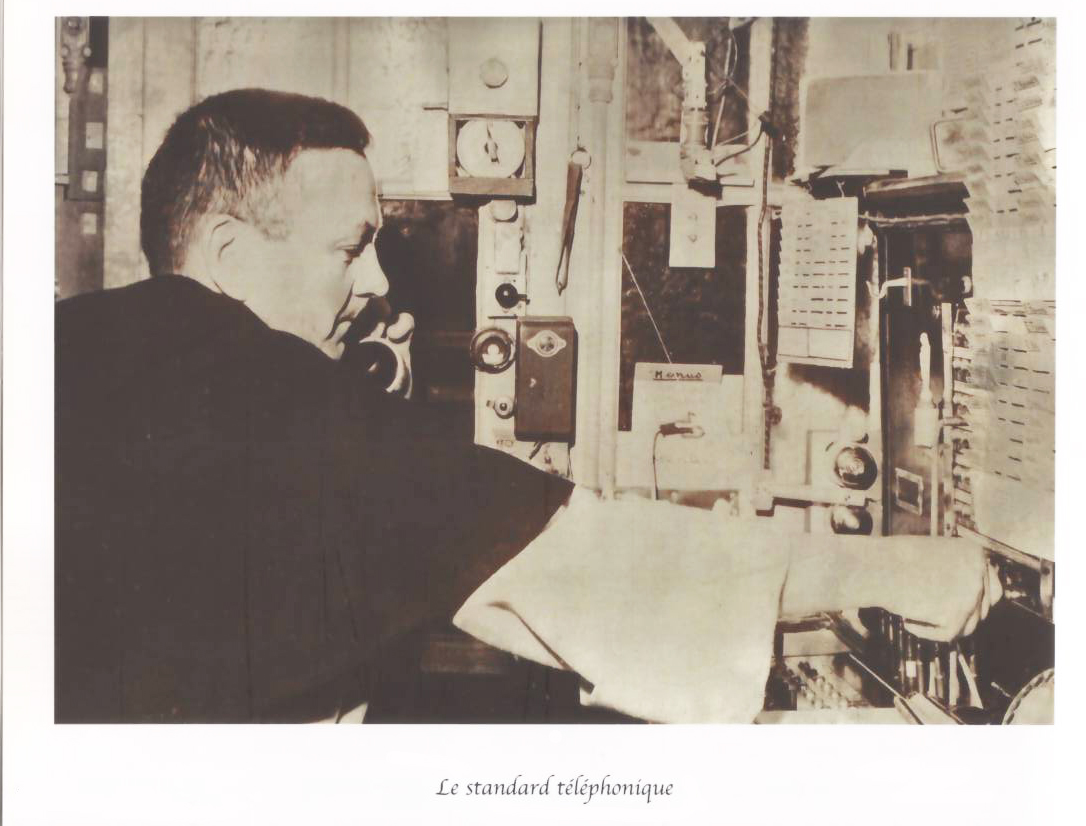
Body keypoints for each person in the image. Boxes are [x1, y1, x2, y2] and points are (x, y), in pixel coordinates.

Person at [55, 88, 1000, 724]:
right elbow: (598, 567)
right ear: (227, 254)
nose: (375, 282)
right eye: (348, 249)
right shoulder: (277, 396)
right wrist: (902, 572)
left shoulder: (64, 348)